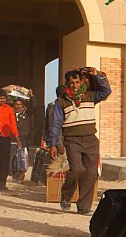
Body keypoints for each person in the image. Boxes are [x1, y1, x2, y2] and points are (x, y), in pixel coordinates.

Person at [47, 67, 111, 214]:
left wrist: (98, 75)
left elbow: (106, 91)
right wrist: (53, 144)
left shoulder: (90, 96)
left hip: (90, 140)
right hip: (72, 140)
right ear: (67, 84)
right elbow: (56, 123)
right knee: (77, 169)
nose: (74, 86)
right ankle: (66, 197)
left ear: (81, 82)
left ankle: (84, 207)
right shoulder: (61, 102)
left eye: (77, 82)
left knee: (91, 172)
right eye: (71, 83)